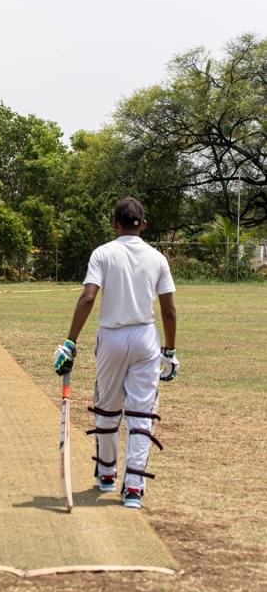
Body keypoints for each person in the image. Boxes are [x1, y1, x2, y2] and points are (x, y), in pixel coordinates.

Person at [53, 197, 178, 509]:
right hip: (145, 337)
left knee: (108, 408)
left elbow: (87, 298)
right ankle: (133, 488)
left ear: (114, 224)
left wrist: (70, 341)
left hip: (111, 336)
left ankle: (107, 474)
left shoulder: (103, 253)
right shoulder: (157, 258)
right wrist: (170, 351)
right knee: (141, 414)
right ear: (143, 224)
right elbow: (169, 311)